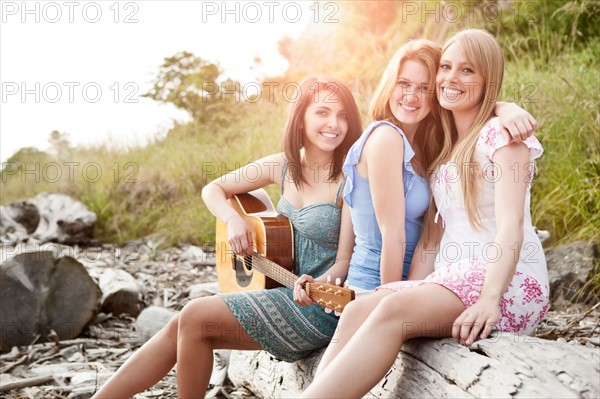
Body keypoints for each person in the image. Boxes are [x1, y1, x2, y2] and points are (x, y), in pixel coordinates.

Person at [300, 29, 549, 398]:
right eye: (446, 67)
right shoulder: (446, 149)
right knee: (356, 312)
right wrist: (400, 288)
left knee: (390, 311)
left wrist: (490, 299)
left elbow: (511, 225)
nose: (451, 77)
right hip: (454, 278)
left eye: (468, 70)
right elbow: (431, 242)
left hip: (506, 281)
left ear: (488, 80)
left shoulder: (504, 138)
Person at [92, 75, 363, 398]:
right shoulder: (283, 166)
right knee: (180, 326)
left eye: (343, 115)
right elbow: (213, 189)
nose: (334, 123)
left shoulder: (351, 177)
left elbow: (346, 258)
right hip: (282, 291)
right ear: (301, 119)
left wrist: (324, 283)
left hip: (319, 306)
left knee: (192, 317)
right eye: (322, 112)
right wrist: (234, 220)